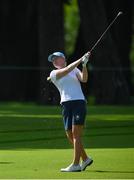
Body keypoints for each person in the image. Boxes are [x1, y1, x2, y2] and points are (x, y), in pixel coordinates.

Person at [48, 52, 93, 172]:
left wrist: (84, 65)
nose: (55, 61)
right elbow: (68, 69)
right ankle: (86, 158)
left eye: (57, 59)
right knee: (70, 134)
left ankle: (76, 164)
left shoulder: (75, 70)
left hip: (79, 102)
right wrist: (80, 59)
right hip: (65, 104)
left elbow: (84, 79)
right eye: (53, 60)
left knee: (76, 133)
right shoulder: (53, 73)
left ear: (63, 59)